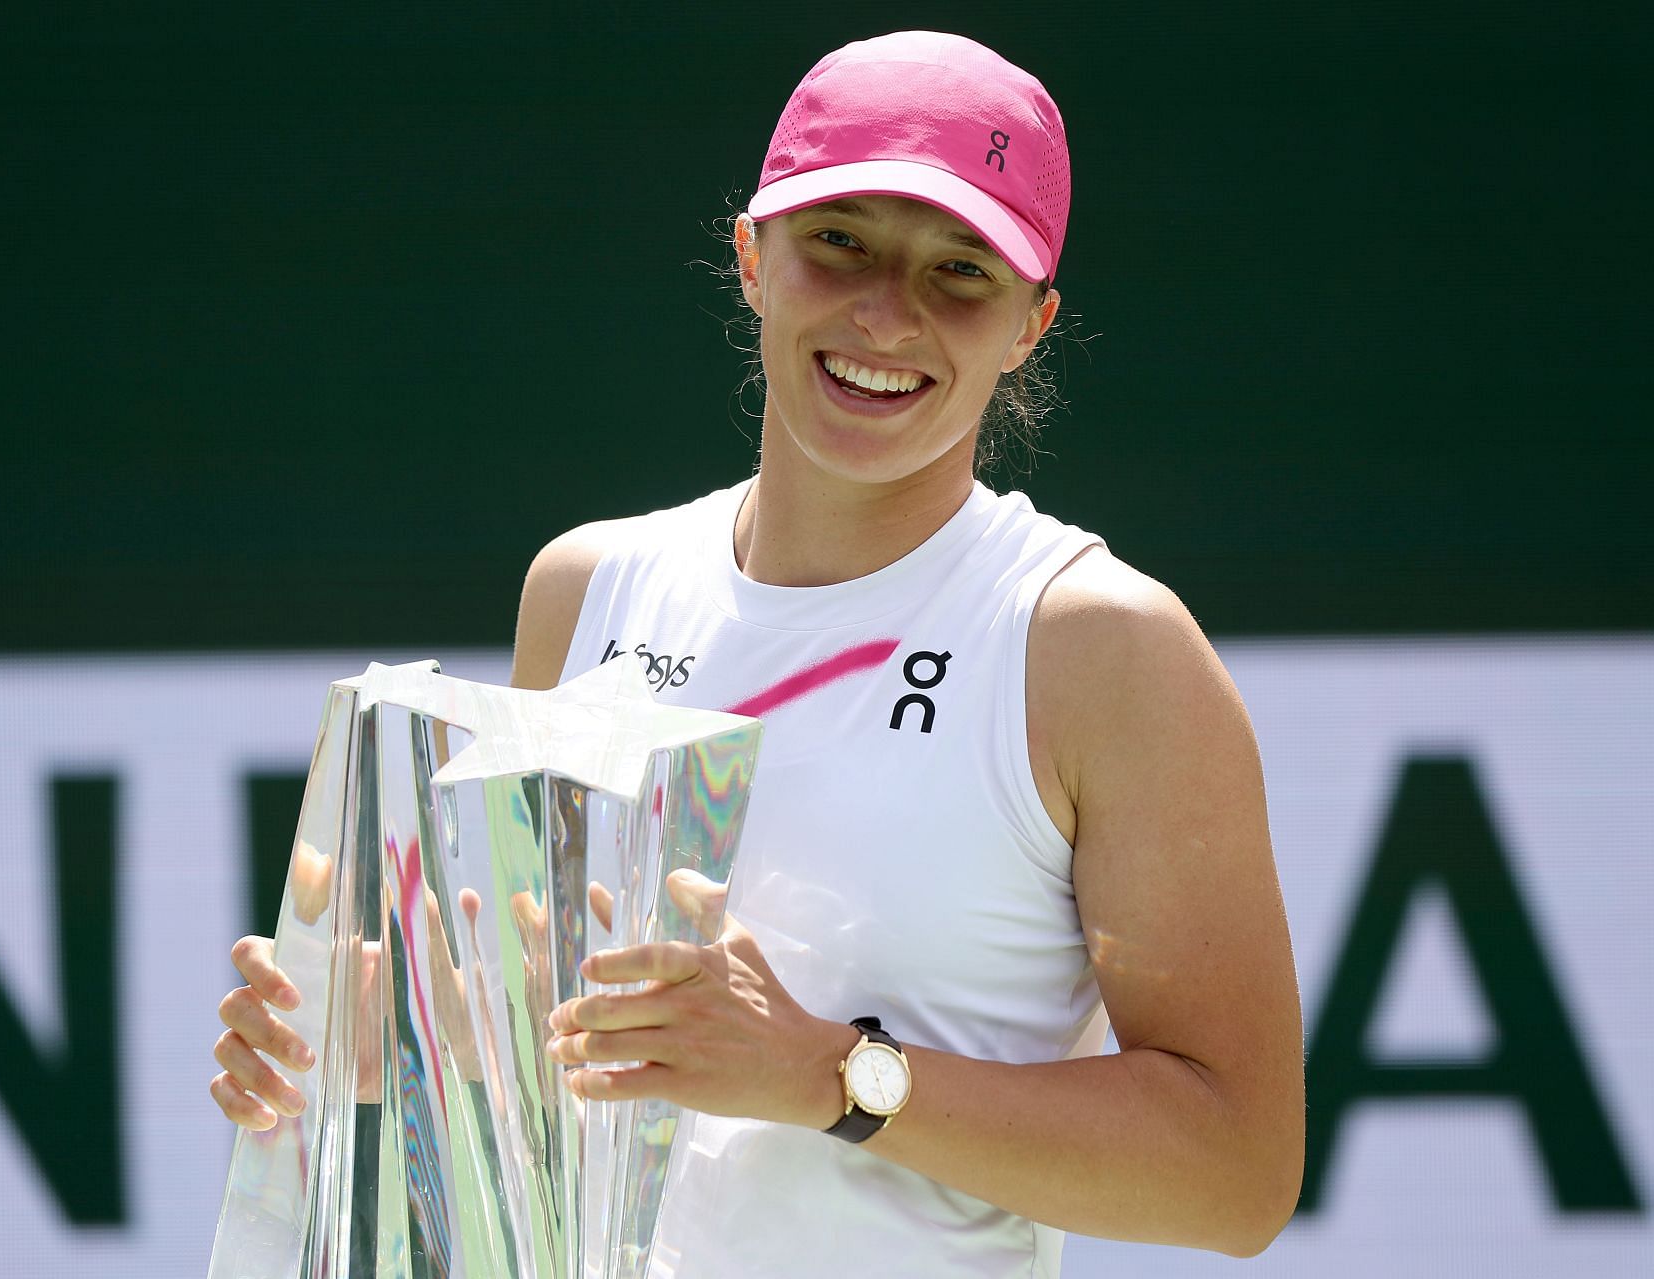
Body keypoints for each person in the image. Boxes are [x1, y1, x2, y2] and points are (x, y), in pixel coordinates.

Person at [210, 30, 1304, 1276]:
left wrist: (829, 1074)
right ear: (751, 256)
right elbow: (562, 1092)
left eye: (961, 271)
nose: (888, 313)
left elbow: (1239, 1177)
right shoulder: (585, 589)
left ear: (1030, 327)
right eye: (838, 241)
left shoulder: (1100, 647)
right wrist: (387, 1059)